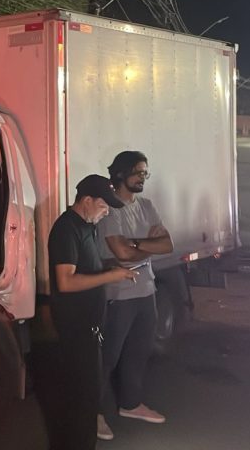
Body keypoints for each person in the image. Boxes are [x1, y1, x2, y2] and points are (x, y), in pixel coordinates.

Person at [48, 174, 138, 449]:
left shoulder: (89, 226)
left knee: (88, 399)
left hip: (90, 326)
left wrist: (110, 267)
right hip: (75, 328)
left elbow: (87, 266)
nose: (107, 210)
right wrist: (110, 277)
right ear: (86, 201)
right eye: (103, 205)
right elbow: (66, 281)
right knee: (81, 401)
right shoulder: (66, 229)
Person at [96, 151, 173, 441]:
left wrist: (136, 244)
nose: (143, 178)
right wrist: (145, 247)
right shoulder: (109, 209)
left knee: (139, 352)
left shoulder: (146, 205)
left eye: (145, 173)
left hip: (146, 290)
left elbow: (168, 244)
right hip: (118, 294)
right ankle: (94, 413)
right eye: (138, 173)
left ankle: (130, 404)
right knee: (108, 358)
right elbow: (122, 254)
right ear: (120, 174)